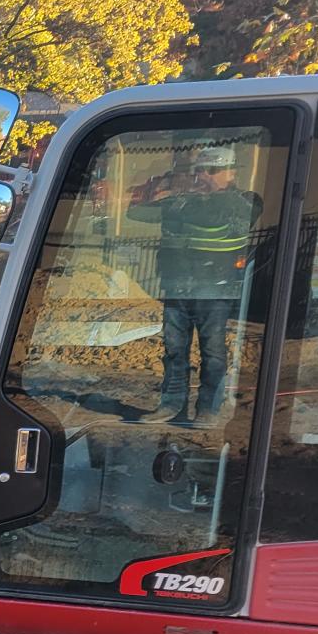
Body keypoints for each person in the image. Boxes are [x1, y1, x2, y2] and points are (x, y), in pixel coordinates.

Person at [127, 145, 262, 425]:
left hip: (215, 291)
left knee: (212, 353)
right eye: (200, 170)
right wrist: (158, 190)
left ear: (230, 173)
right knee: (174, 351)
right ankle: (171, 404)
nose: (204, 176)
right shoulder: (183, 201)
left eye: (212, 171)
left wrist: (180, 199)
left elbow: (213, 213)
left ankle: (208, 409)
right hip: (178, 288)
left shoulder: (243, 201)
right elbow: (137, 214)